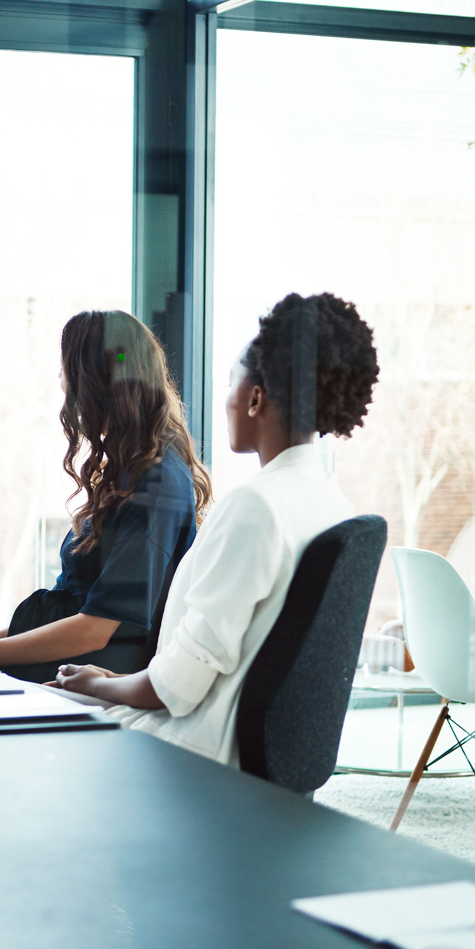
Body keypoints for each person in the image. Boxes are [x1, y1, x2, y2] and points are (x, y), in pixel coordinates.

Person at [54, 293, 379, 763]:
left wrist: (101, 684)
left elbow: (176, 688)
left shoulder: (256, 507)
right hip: (241, 750)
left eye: (231, 382)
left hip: (189, 749)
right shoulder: (334, 504)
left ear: (254, 398)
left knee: (18, 718)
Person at [0, 311, 208, 681]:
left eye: (67, 371)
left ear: (94, 384)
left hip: (89, 676)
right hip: (72, 665)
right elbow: (72, 611)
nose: (61, 381)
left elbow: (95, 628)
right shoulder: (131, 469)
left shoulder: (156, 484)